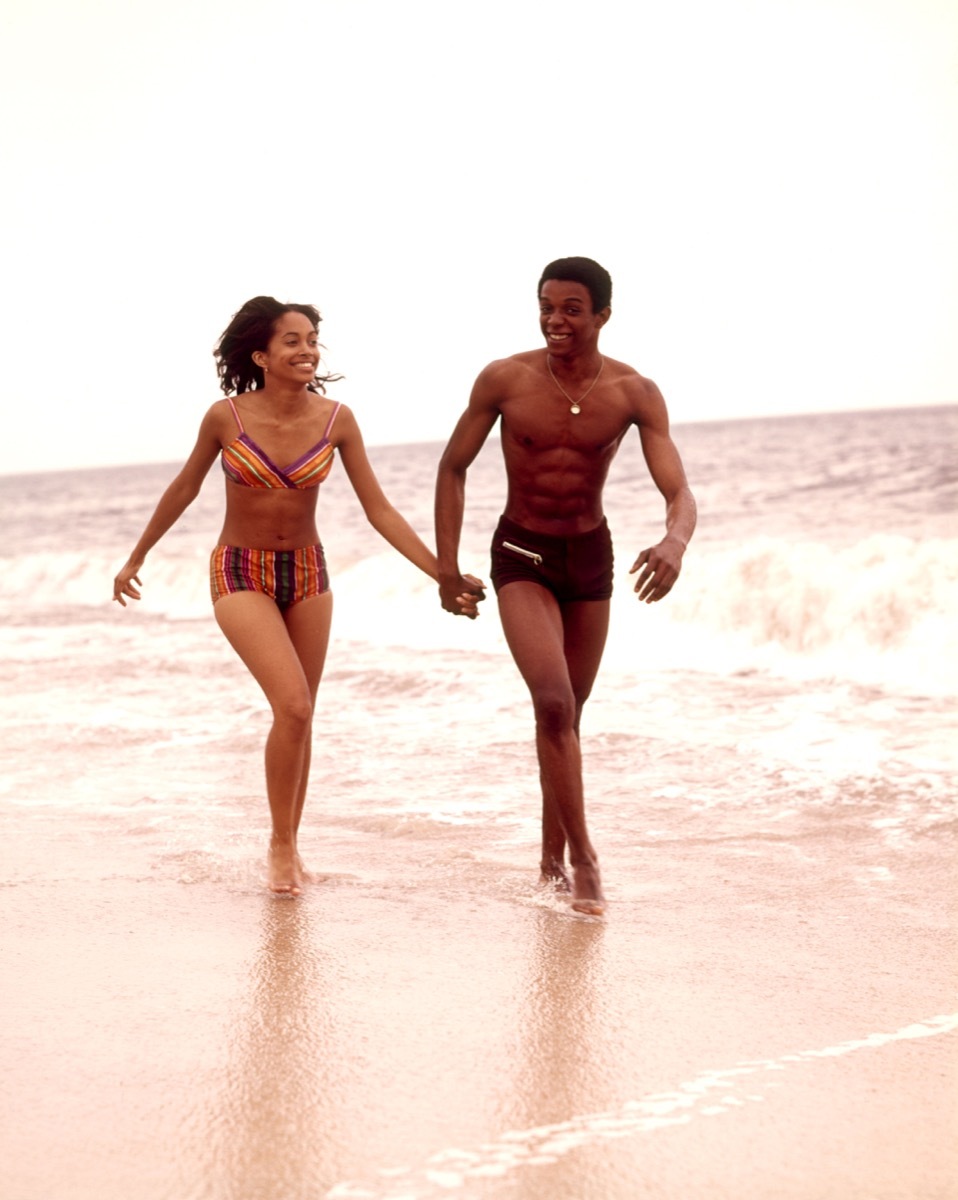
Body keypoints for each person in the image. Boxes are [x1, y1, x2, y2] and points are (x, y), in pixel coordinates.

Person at [114, 296, 484, 896]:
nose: (307, 349)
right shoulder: (225, 418)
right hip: (240, 570)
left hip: (308, 574)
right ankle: (280, 849)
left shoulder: (338, 420)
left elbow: (380, 510)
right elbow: (184, 487)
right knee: (293, 705)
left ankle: (291, 844)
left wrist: (443, 573)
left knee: (303, 716)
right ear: (261, 356)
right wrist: (137, 556)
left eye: (311, 339)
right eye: (292, 340)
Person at [435, 257, 696, 916]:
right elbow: (453, 467)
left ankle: (550, 862)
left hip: (589, 560)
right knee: (552, 702)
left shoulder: (634, 393)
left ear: (602, 315)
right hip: (521, 554)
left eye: (572, 309)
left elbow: (678, 490)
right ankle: (585, 861)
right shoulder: (504, 380)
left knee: (569, 715)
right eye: (547, 307)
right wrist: (446, 566)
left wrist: (674, 541)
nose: (556, 320)